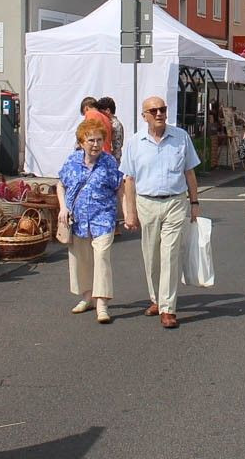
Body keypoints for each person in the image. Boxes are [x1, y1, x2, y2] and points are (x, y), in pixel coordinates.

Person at [119, 96, 201, 329]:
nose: (159, 114)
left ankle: (168, 308)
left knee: (170, 255)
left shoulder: (181, 137)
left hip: (175, 202)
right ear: (144, 116)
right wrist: (130, 212)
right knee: (152, 256)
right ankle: (156, 298)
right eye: (153, 110)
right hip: (147, 204)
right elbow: (129, 180)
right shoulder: (135, 143)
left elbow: (190, 172)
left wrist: (195, 202)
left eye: (162, 109)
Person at [57, 119, 122, 323]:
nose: (95, 144)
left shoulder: (109, 162)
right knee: (81, 259)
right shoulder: (72, 161)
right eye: (91, 140)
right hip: (77, 220)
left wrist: (126, 213)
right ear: (81, 142)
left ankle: (101, 303)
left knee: (101, 257)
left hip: (103, 217)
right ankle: (87, 297)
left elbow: (119, 187)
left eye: (99, 140)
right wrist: (63, 207)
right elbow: (61, 184)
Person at [96, 97, 125, 163]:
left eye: (101, 112)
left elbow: (115, 146)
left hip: (112, 159)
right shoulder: (111, 123)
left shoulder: (114, 125)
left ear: (108, 111)